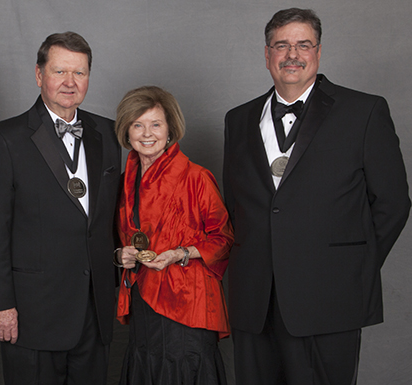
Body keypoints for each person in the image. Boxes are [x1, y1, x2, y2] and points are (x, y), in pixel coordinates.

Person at [223, 8, 410, 385]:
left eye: (302, 44)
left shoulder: (364, 111)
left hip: (330, 298)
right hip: (254, 299)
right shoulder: (238, 118)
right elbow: (237, 206)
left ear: (318, 52)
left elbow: (393, 202)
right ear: (267, 54)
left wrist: (352, 267)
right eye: (281, 45)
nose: (292, 54)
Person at [0, 31, 121, 385]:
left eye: (79, 73)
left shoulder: (109, 134)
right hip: (30, 313)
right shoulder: (5, 138)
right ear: (39, 75)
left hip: (94, 309)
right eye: (59, 72)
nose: (70, 83)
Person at [113, 86, 233, 384]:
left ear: (170, 131)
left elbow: (223, 238)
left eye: (156, 124)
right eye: (137, 125)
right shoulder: (122, 182)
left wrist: (180, 253)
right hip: (143, 297)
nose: (147, 133)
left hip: (187, 300)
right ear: (127, 132)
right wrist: (122, 255)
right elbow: (117, 240)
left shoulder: (196, 177)